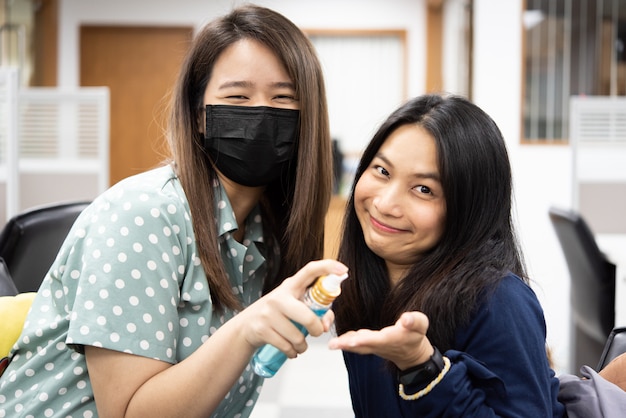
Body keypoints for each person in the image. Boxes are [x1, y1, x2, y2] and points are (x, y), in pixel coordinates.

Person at [0, 5, 347, 418]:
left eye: (283, 98)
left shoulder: (263, 234)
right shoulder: (142, 214)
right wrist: (247, 328)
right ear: (199, 114)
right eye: (237, 96)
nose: (260, 113)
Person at [329, 93, 565, 416]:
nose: (384, 203)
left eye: (423, 189)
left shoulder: (499, 301)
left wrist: (423, 367)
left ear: (469, 210)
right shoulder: (365, 282)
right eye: (382, 171)